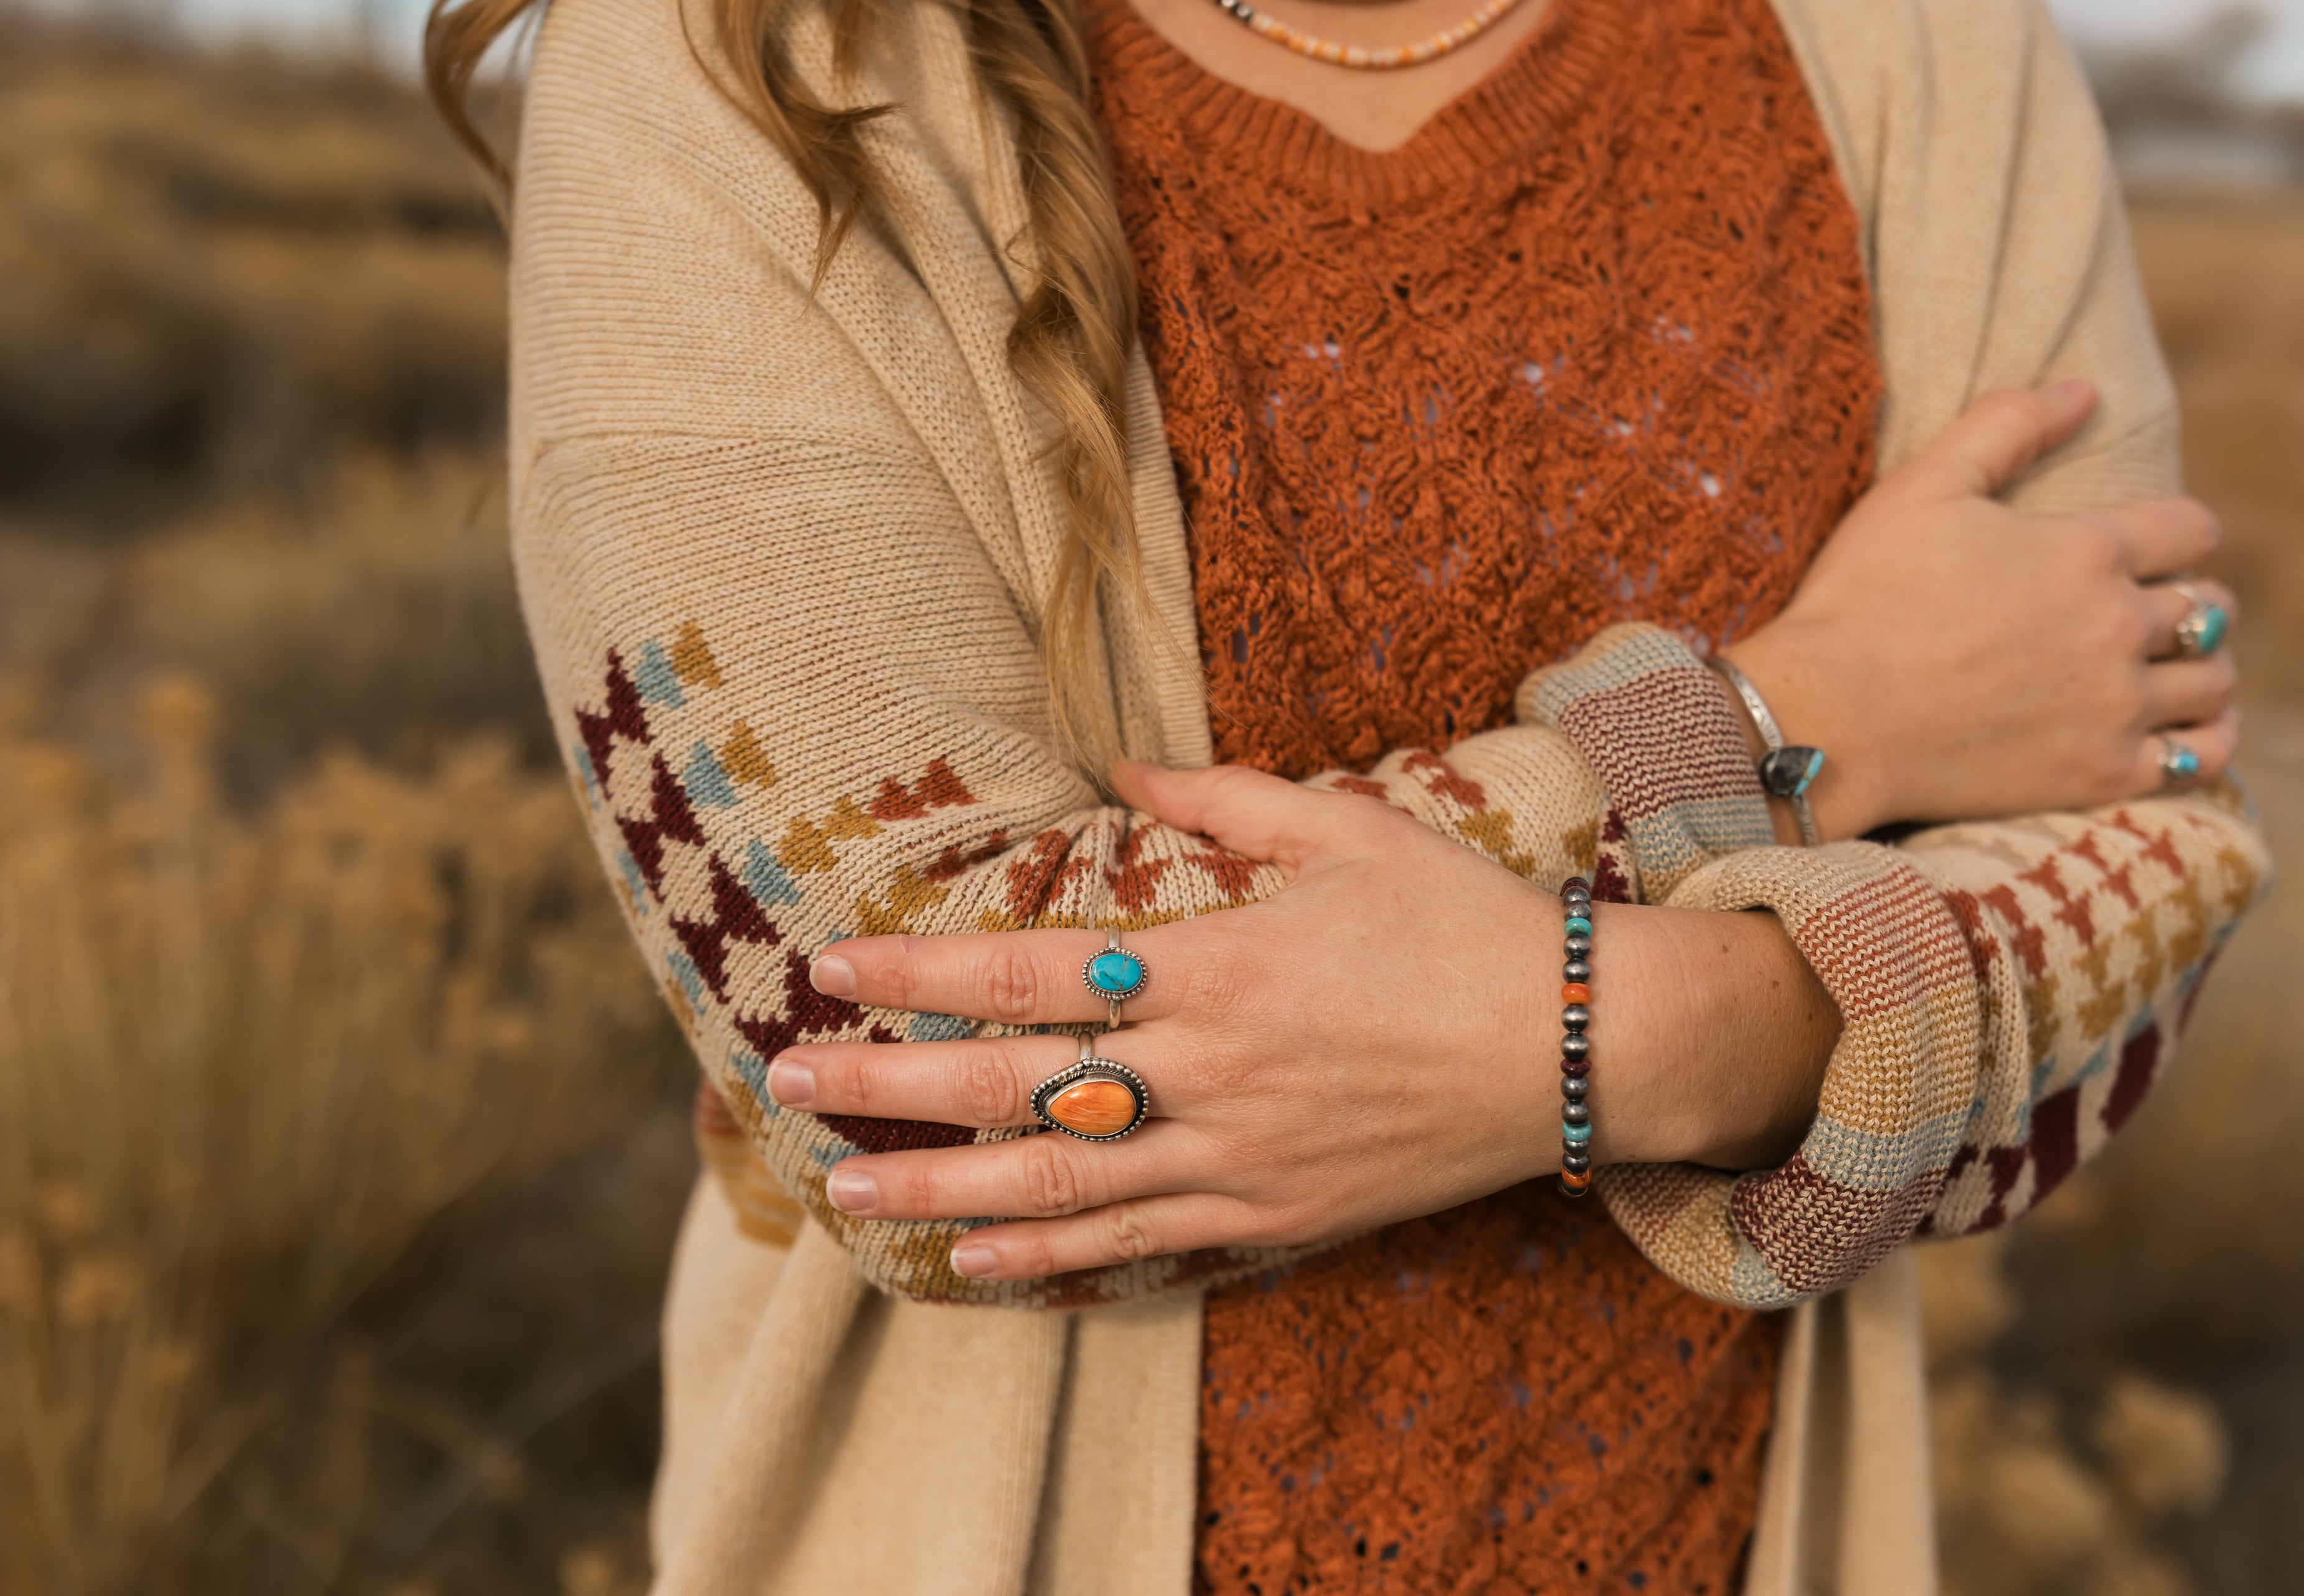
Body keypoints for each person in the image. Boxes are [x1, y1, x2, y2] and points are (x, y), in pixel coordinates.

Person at [425, 0, 2271, 1586]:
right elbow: (917, 1107)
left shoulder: (1924, 51)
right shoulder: (749, 66)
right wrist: (1803, 728)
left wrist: (1697, 1029)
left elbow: (2161, 852)